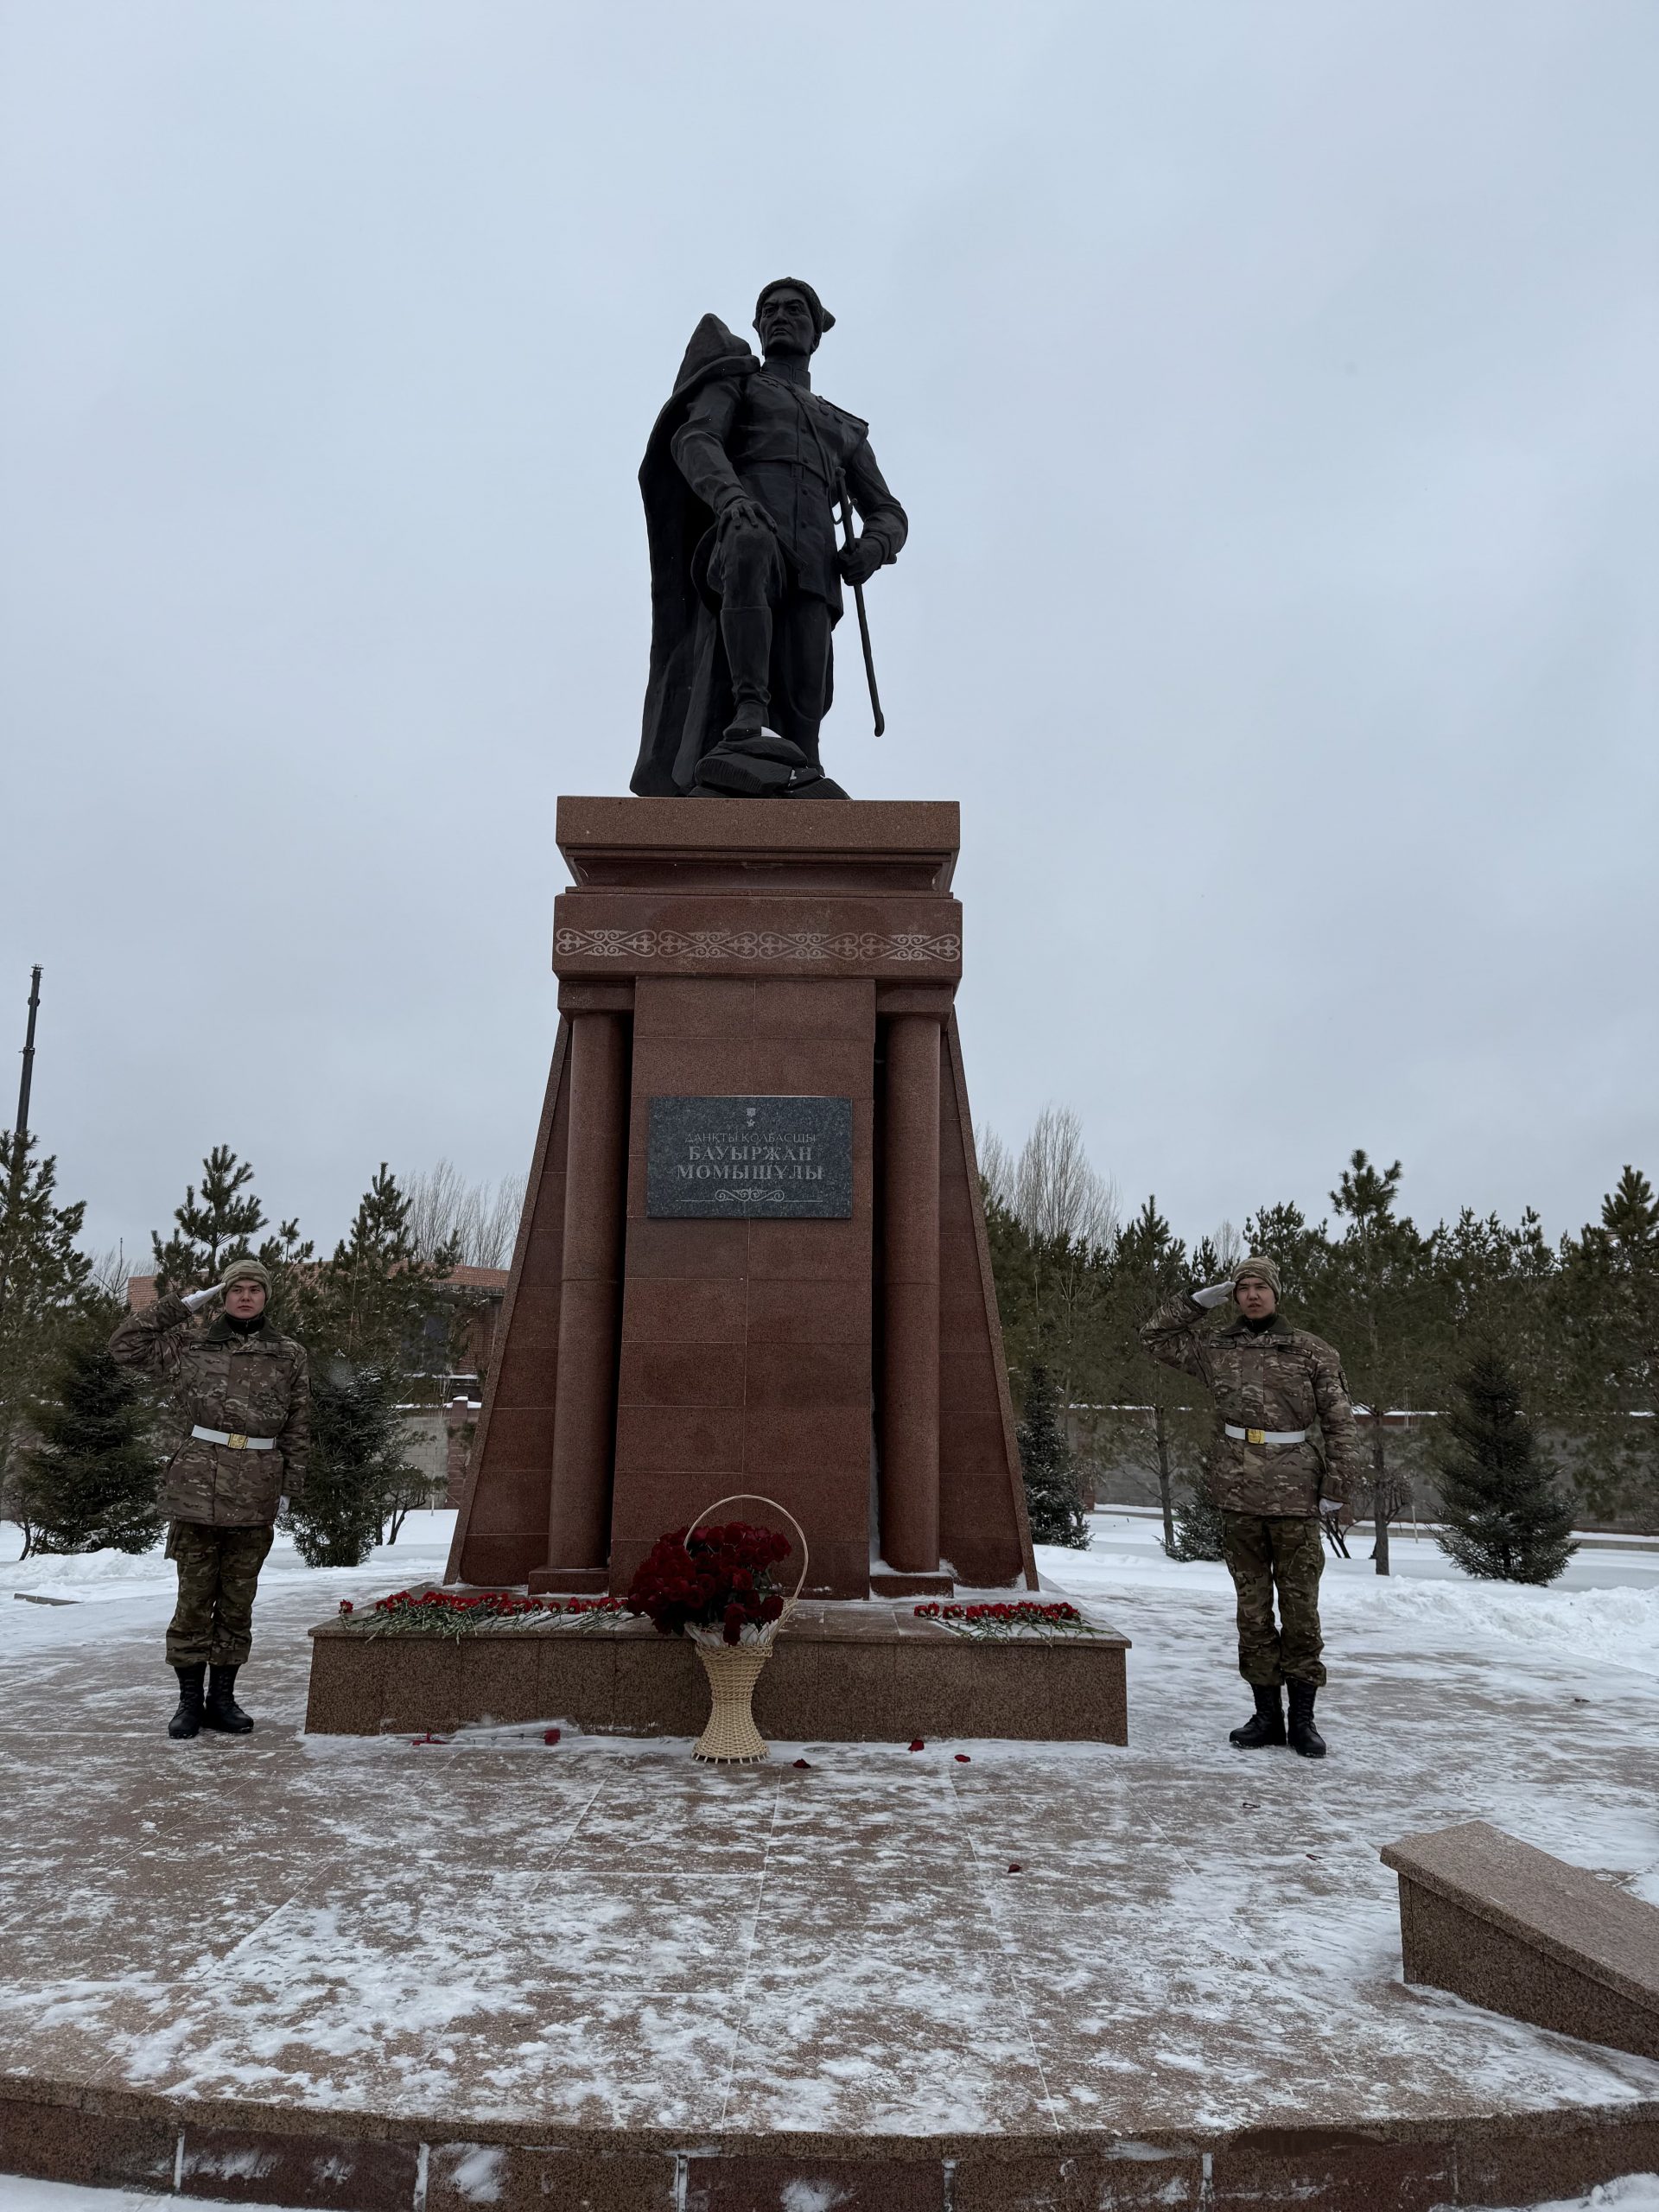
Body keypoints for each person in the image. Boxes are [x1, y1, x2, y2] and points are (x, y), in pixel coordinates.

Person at [633, 278, 907, 798]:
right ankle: (748, 712)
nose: (781, 316)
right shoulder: (737, 383)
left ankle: (800, 777)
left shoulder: (845, 428)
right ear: (758, 327)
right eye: (770, 310)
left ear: (815, 334)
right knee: (750, 542)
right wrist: (731, 499)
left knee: (805, 701)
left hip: (815, 561)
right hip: (746, 527)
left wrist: (874, 546)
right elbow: (696, 438)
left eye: (795, 310)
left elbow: (889, 512)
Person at [1140, 1255, 1361, 1757]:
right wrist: (1197, 1301)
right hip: (1237, 1491)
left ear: (1276, 1293)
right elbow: (1154, 1337)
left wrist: (1338, 1485)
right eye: (1243, 1288)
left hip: (1296, 1494)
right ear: (1234, 1296)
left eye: (1261, 1286)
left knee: (1300, 1610)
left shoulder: (1311, 1350)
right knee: (1252, 1611)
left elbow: (1340, 1423)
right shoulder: (1217, 1348)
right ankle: (1266, 1717)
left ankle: (1303, 1720)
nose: (1252, 1295)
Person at [110, 1257, 308, 1739]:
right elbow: (124, 1345)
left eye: (254, 1289)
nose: (245, 1297)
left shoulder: (288, 1353)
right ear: (223, 1296)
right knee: (194, 1600)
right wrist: (181, 1305)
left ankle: (222, 1699)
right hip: (197, 1487)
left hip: (257, 1487)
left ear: (266, 1296)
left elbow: (299, 1423)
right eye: (236, 1289)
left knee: (237, 1602)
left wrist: (291, 1487)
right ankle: (188, 1702)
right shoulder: (191, 1345)